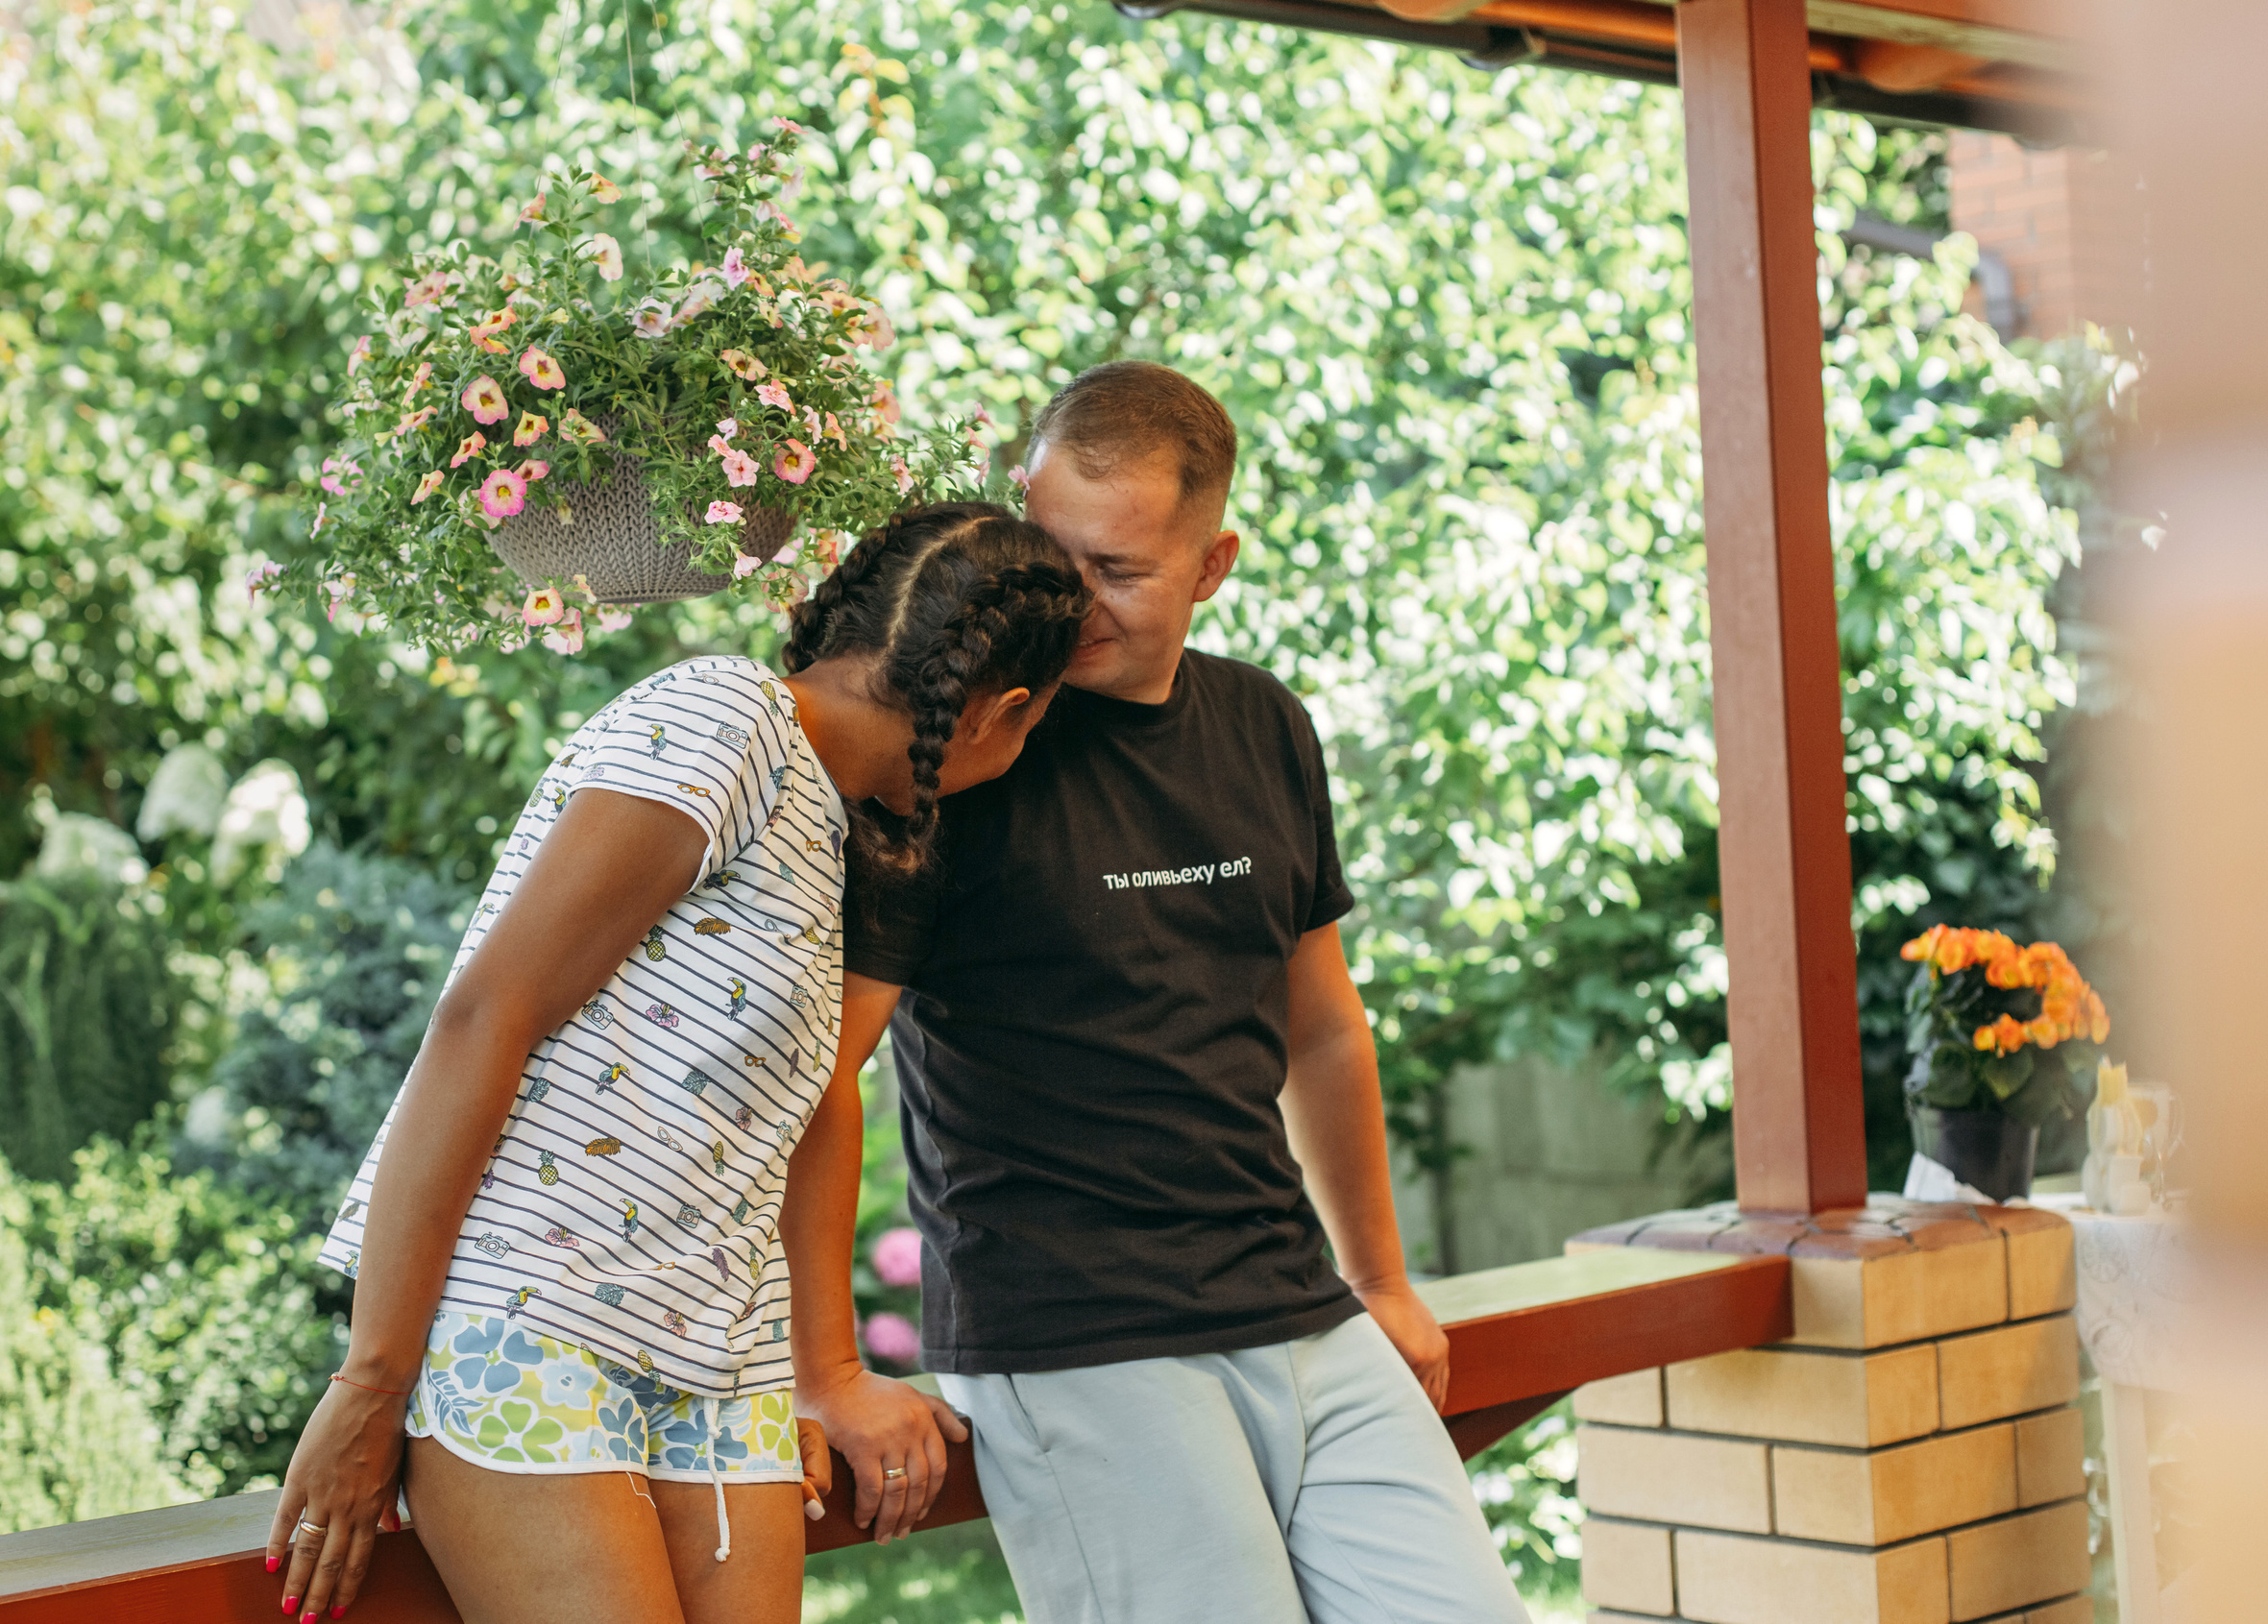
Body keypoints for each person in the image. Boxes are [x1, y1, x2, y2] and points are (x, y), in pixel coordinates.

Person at [266, 503, 1092, 1624]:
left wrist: (824, 1372)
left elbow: (809, 1107)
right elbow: (483, 1016)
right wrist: (369, 1381)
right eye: (1038, 726)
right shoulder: (724, 716)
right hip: (535, 1323)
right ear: (1003, 710)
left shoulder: (829, 820)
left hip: (724, 1363)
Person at [841, 365, 1533, 1624]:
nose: (1065, 601)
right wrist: (825, 1364)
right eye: (1049, 554)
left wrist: (1380, 1273)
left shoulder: (1265, 723)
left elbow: (1321, 1024)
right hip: (1072, 1331)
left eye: (1114, 572)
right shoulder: (958, 745)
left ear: (1211, 564)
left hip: (1294, 1296)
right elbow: (814, 1073)